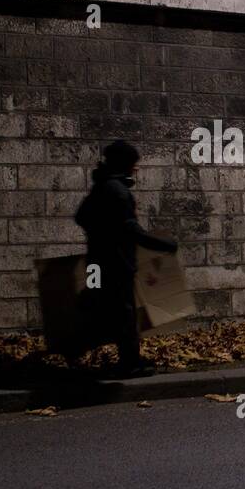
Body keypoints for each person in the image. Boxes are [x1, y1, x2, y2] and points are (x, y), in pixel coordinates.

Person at [74, 140, 178, 375]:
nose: (136, 169)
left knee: (105, 307)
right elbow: (130, 229)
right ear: (124, 165)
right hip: (116, 264)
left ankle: (104, 355)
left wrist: (100, 233)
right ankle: (129, 363)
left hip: (98, 263)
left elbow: (81, 217)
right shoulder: (117, 192)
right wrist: (165, 244)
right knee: (124, 313)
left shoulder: (101, 187)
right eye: (133, 164)